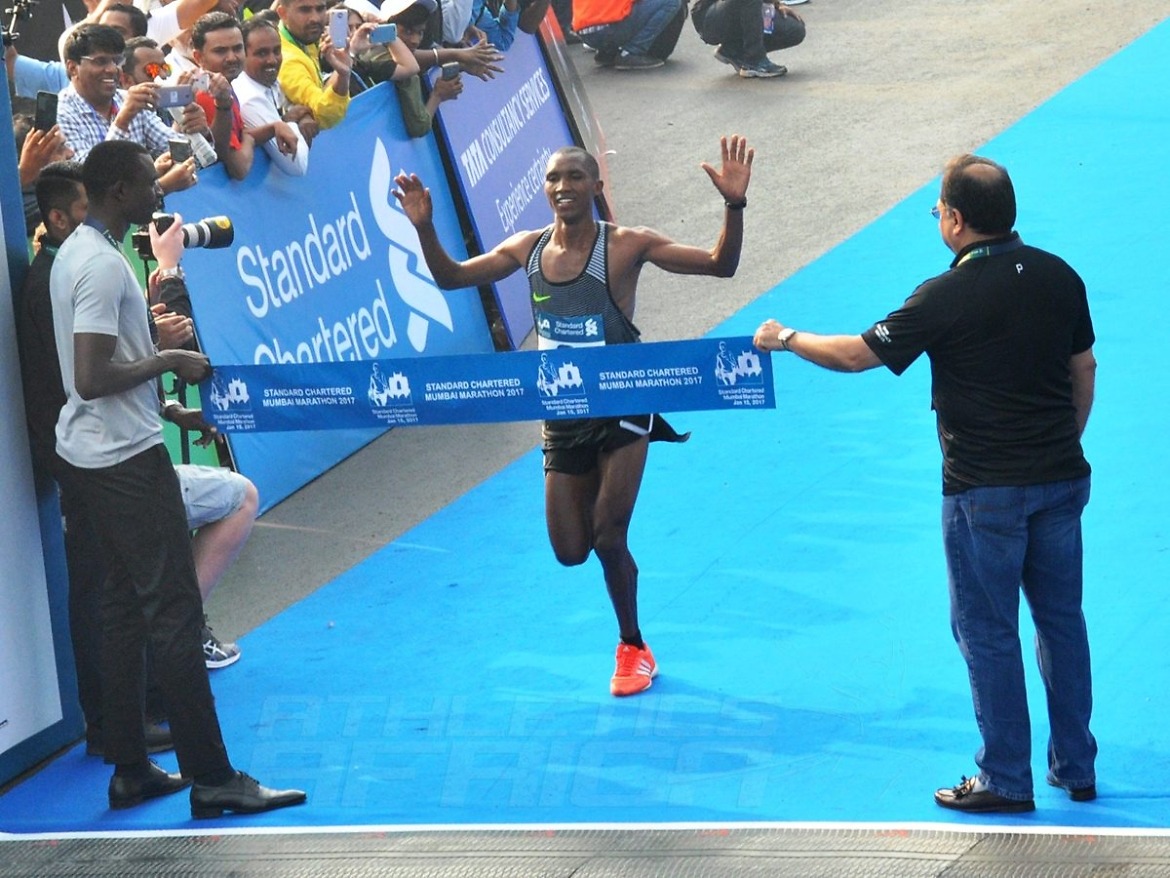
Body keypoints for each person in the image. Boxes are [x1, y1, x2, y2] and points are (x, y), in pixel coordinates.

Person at [753, 154, 1097, 814]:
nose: (937, 218)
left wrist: (786, 336)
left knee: (987, 632)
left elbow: (855, 354)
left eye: (938, 210)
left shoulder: (942, 296)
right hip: (1060, 482)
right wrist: (1065, 443)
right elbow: (1085, 370)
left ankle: (1004, 777)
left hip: (982, 493)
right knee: (1061, 624)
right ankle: (1076, 766)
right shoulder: (1060, 276)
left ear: (958, 221)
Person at [394, 135, 753, 696]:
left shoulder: (628, 246)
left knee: (610, 534)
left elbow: (718, 266)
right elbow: (453, 278)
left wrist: (733, 206)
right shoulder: (527, 249)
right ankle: (627, 628)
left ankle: (633, 646)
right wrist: (423, 227)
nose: (563, 188)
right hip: (563, 414)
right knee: (570, 550)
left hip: (624, 403)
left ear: (596, 186)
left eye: (575, 178)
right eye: (554, 179)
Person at [49, 139, 306, 816]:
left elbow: (97, 373)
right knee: (173, 613)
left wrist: (162, 406)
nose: (158, 197)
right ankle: (213, 776)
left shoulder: (78, 253)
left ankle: (130, 768)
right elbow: (91, 376)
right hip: (125, 465)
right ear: (116, 193)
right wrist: (169, 363)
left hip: (92, 455)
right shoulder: (102, 269)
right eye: (145, 187)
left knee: (123, 611)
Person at [56, 24, 200, 194]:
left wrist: (194, 128)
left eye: (116, 61)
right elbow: (89, 183)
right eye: (101, 61)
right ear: (73, 68)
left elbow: (189, 158)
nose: (111, 69)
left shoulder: (128, 99)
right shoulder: (61, 113)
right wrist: (123, 120)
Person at [234, 17, 315, 175]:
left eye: (276, 51)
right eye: (262, 53)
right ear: (243, 55)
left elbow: (298, 108)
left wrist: (303, 115)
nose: (272, 60)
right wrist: (291, 122)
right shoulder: (250, 101)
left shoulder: (272, 80)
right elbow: (296, 165)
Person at [386, 0, 462, 137]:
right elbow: (419, 126)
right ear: (387, 28)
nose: (415, 40)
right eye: (407, 31)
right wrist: (437, 95)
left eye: (420, 32)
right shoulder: (400, 67)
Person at [690, 0, 804, 78]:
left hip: (741, 11)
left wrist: (778, 4)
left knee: (794, 29)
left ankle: (733, 50)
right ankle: (754, 61)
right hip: (709, 17)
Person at [572, 0, 682, 70]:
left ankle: (608, 52)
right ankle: (631, 52)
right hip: (606, 30)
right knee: (671, 2)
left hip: (585, 33)